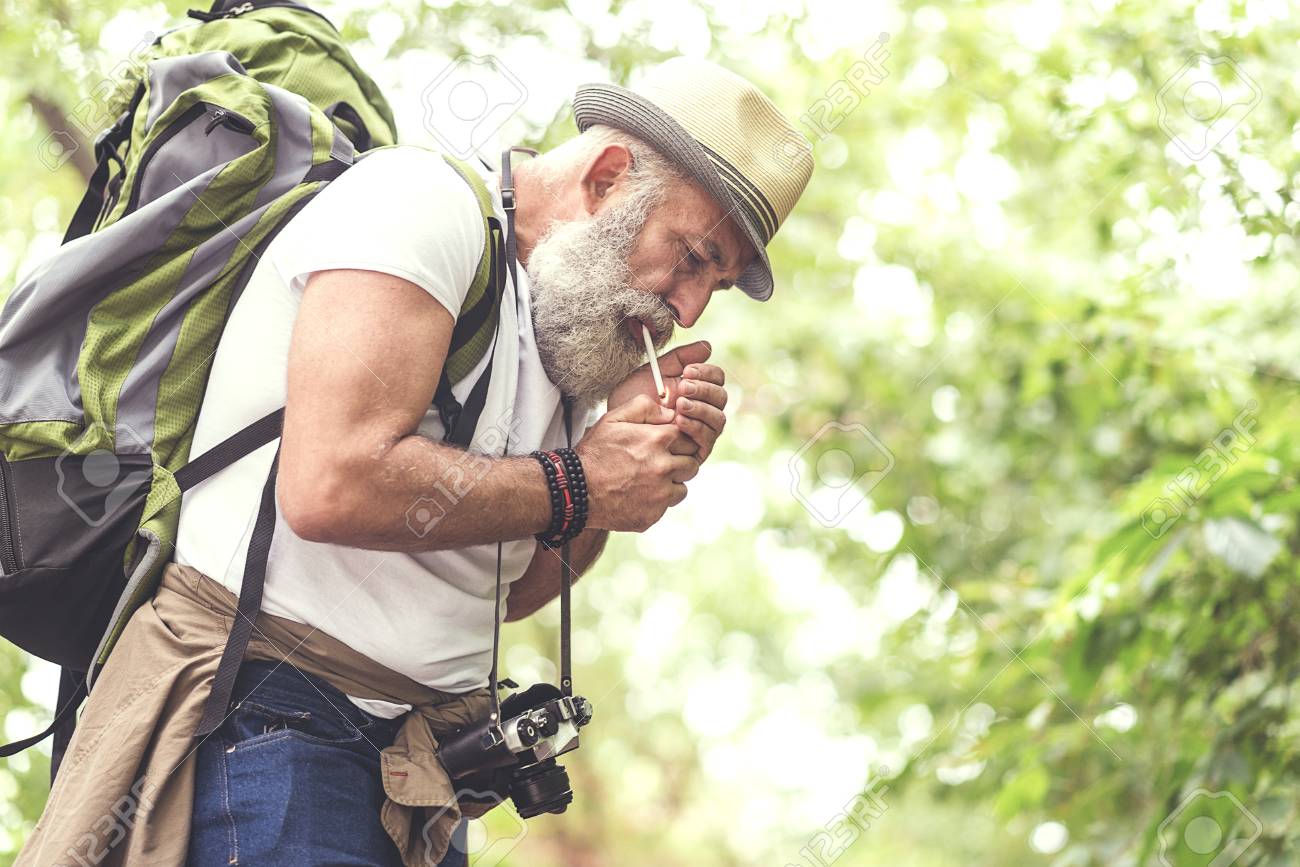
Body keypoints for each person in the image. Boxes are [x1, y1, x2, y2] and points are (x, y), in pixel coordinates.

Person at [17, 55, 814, 867]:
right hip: (268, 724)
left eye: (711, 285)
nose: (685, 308)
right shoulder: (420, 204)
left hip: (422, 771)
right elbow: (331, 484)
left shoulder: (564, 324)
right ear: (608, 178)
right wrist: (580, 479)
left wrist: (607, 478)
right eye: (689, 257)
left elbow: (514, 594)